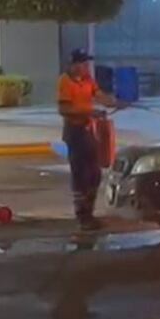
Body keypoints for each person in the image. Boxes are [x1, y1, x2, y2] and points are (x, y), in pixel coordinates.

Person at [58, 49, 117, 231]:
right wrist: (90, 112)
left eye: (86, 64)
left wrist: (113, 101)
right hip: (74, 132)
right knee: (80, 175)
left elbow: (98, 95)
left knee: (95, 174)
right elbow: (64, 109)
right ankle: (82, 216)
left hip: (87, 130)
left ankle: (89, 213)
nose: (86, 67)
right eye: (83, 64)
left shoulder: (87, 79)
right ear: (74, 65)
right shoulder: (65, 81)